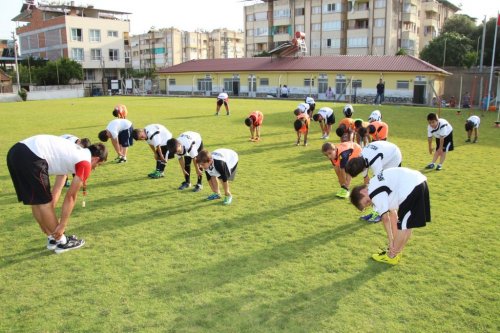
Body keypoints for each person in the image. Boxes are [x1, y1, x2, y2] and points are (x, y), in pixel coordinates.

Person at [7, 135, 108, 254]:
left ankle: (52, 238)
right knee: (44, 203)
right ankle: (63, 242)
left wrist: (49, 224)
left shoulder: (72, 153)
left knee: (37, 201)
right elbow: (71, 196)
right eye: (99, 165)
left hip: (15, 153)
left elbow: (58, 188)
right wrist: (62, 226)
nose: (95, 168)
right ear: (96, 159)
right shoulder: (85, 162)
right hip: (32, 156)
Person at [349, 167, 430, 265]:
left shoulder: (373, 192)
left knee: (404, 226)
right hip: (420, 182)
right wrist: (394, 242)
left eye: (367, 201)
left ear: (363, 191)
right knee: (407, 225)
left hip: (411, 188)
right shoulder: (375, 183)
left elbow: (385, 218)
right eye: (368, 205)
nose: (370, 203)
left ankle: (391, 256)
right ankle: (397, 252)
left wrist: (391, 241)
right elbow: (393, 215)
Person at [346, 141, 403, 223]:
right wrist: (365, 176)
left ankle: (379, 213)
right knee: (373, 185)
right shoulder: (360, 156)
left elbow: (379, 184)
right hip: (386, 151)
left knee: (382, 186)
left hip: (393, 156)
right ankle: (375, 212)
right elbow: (364, 165)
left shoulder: (374, 162)